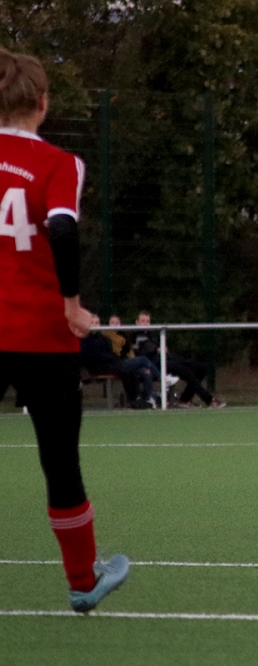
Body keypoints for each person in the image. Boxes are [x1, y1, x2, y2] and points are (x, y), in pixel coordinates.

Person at [0, 47, 129, 612]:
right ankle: (82, 581)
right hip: (42, 335)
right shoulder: (58, 164)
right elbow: (61, 229)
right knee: (59, 462)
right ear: (43, 103)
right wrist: (73, 306)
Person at [133, 311, 225, 408]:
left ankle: (185, 399)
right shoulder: (135, 336)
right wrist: (156, 350)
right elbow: (143, 352)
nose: (146, 324)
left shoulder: (152, 334)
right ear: (137, 322)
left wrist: (162, 349)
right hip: (155, 364)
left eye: (148, 321)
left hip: (167, 359)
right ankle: (209, 400)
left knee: (200, 369)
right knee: (186, 372)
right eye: (143, 321)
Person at [80, 314, 152, 409]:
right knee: (129, 367)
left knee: (133, 369)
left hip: (110, 363)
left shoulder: (103, 338)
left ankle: (136, 399)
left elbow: (111, 353)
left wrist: (113, 359)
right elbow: (90, 357)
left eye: (97, 323)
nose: (95, 325)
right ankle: (133, 400)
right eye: (92, 323)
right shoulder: (84, 339)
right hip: (97, 367)